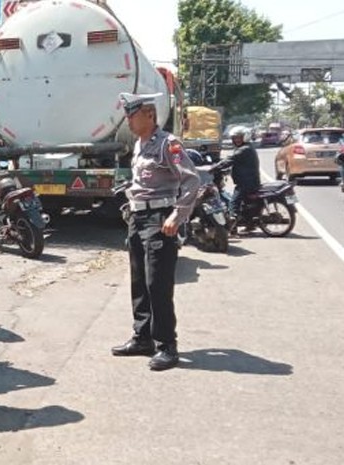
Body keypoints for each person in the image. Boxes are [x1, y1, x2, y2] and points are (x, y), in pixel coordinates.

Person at [111, 92, 199, 371]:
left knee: (157, 284)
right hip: (137, 218)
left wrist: (177, 215)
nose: (128, 120)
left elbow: (191, 181)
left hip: (160, 220)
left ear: (149, 114)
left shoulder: (167, 144)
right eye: (126, 115)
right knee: (139, 282)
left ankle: (167, 346)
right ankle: (143, 337)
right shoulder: (139, 145)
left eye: (132, 115)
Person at [219, 126, 260, 226]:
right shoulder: (245, 148)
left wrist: (214, 167)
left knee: (233, 203)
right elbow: (236, 161)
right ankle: (250, 224)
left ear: (245, 137)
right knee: (245, 204)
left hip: (246, 182)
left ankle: (232, 226)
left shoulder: (244, 149)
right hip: (249, 180)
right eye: (235, 138)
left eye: (239, 137)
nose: (236, 140)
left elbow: (231, 159)